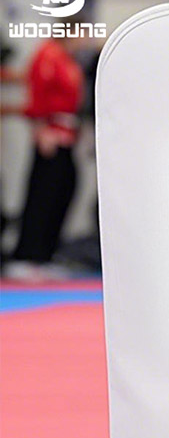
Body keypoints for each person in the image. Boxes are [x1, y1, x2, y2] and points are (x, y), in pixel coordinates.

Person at [2, 33, 83, 280]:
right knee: (42, 195)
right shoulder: (47, 55)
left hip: (67, 132)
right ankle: (27, 255)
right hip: (50, 134)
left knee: (64, 190)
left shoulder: (67, 59)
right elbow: (38, 92)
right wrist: (40, 129)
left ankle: (46, 254)